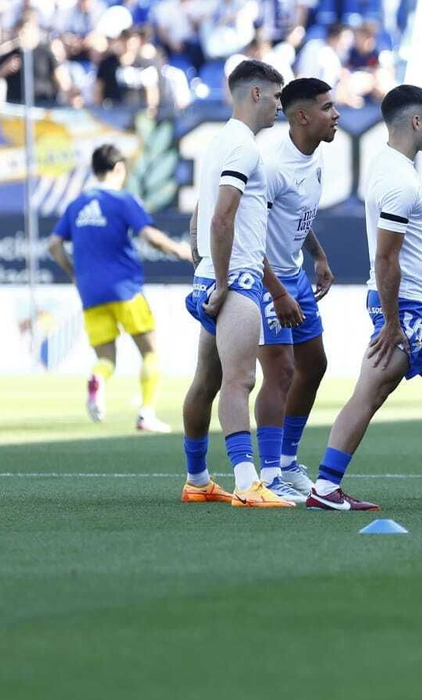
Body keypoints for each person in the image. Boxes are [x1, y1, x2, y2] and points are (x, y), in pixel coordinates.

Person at [305, 85, 422, 512]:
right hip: (404, 308)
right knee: (371, 391)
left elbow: (401, 251)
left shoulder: (391, 166)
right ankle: (325, 487)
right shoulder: (399, 181)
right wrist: (392, 322)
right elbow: (386, 257)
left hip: (415, 302)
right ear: (415, 121)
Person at [179, 59, 292, 507]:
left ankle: (197, 480)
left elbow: (200, 217)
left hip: (211, 275)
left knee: (206, 381)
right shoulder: (244, 147)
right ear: (256, 93)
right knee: (240, 380)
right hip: (235, 280)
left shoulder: (219, 143)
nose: (279, 106)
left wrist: (205, 267)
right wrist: (225, 282)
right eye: (277, 96)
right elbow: (221, 218)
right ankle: (247, 483)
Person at [48, 144, 193, 434]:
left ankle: (97, 379)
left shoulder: (76, 205)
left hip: (90, 293)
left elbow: (54, 245)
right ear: (119, 168)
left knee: (105, 360)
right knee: (151, 352)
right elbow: (150, 236)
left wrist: (74, 275)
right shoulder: (123, 200)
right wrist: (181, 250)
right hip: (125, 288)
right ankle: (146, 413)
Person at [244, 78, 339, 505]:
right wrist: (277, 291)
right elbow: (251, 233)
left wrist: (318, 255)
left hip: (295, 275)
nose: (336, 114)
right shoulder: (272, 165)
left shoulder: (314, 156)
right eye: (327, 107)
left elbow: (297, 213)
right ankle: (268, 476)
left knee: (314, 365)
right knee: (280, 371)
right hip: (266, 279)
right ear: (302, 116)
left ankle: (286, 462)